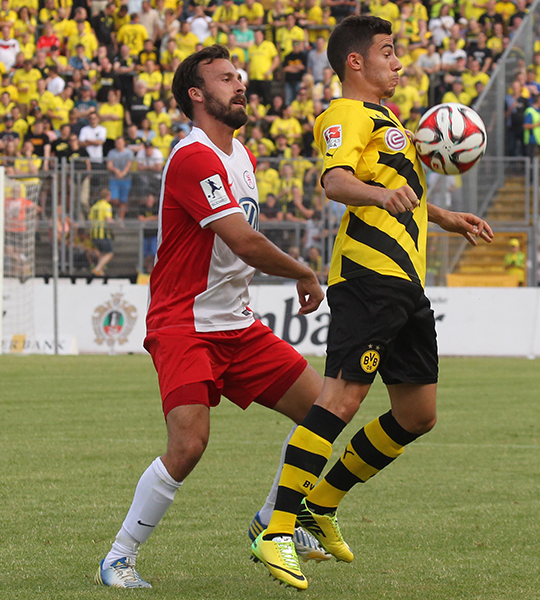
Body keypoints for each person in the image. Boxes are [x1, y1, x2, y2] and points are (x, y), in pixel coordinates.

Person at [253, 16, 493, 591]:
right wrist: (382, 194)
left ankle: (322, 504)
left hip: (406, 284)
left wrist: (444, 217)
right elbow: (336, 183)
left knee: (418, 414)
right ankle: (276, 528)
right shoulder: (343, 115)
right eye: (388, 51)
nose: (398, 62)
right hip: (367, 278)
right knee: (340, 400)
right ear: (355, 62)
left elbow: (398, 191)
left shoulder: (390, 123)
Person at [96, 45, 330, 589]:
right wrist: (304, 271)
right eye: (226, 78)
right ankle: (119, 556)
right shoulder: (192, 156)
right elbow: (244, 242)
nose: (240, 84)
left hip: (236, 324)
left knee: (324, 411)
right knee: (189, 444)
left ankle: (274, 521)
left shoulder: (241, 155)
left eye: (239, 76)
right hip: (183, 323)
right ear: (197, 95)